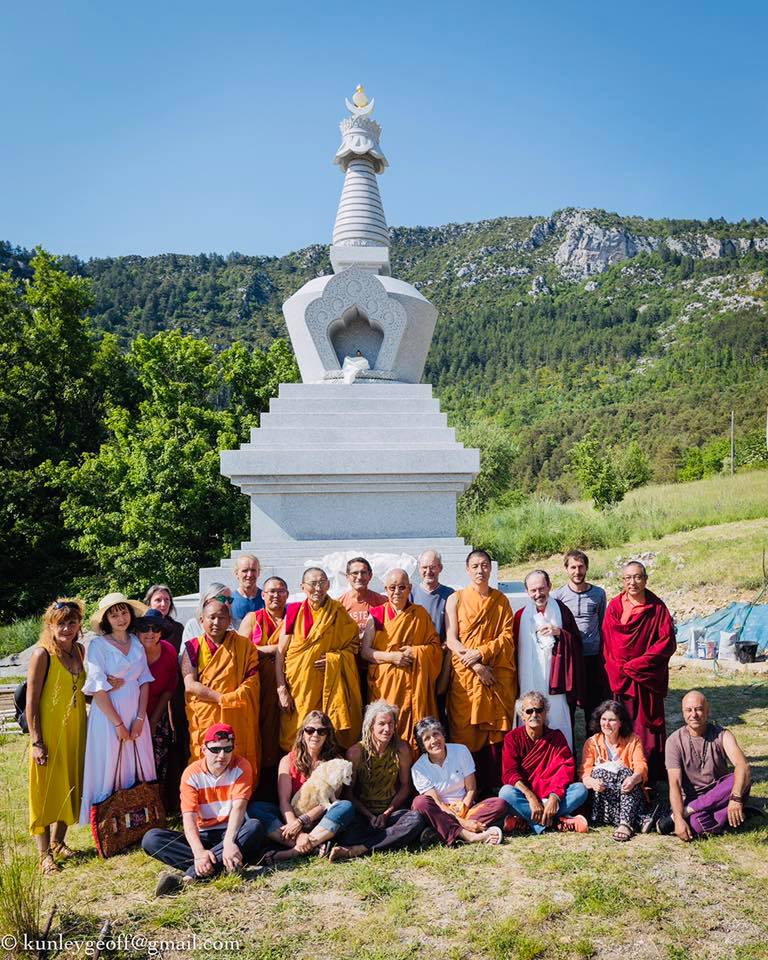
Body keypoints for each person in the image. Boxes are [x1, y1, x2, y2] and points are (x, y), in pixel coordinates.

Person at [142, 723, 264, 896]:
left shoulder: (242, 766)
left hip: (231, 832)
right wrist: (199, 852)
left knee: (254, 827)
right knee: (151, 839)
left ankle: (189, 877)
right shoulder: (191, 773)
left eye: (227, 749)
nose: (222, 755)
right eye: (215, 749)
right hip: (203, 835)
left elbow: (239, 808)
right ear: (203, 749)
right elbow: (189, 818)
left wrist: (229, 842)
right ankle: (222, 864)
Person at [79, 593, 156, 825]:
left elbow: (144, 681)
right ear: (106, 620)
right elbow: (97, 689)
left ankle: (137, 819)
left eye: (124, 613)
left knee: (136, 760)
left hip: (135, 711)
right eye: (114, 615)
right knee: (110, 760)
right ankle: (107, 822)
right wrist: (119, 724)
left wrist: (140, 718)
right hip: (108, 715)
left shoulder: (136, 643)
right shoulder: (98, 646)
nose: (121, 618)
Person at [443, 549, 517, 793]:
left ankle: (495, 786)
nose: (480, 571)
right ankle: (465, 789)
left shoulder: (501, 600)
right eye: (475, 566)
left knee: (495, 732)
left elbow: (507, 637)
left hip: (495, 672)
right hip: (466, 673)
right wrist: (475, 663)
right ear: (467, 570)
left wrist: (483, 653)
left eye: (484, 565)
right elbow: (452, 640)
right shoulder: (456, 598)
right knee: (465, 728)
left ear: (490, 568)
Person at [26, 599, 87, 875]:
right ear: (50, 625)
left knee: (72, 782)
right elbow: (32, 702)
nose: (66, 627)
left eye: (71, 622)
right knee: (46, 790)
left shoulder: (80, 651)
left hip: (77, 727)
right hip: (49, 730)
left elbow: (84, 691)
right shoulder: (42, 655)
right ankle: (44, 855)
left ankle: (59, 841)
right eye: (60, 622)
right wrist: (36, 741)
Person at [247, 711, 355, 863]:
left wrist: (301, 822)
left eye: (321, 731)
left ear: (327, 735)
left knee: (345, 806)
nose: (315, 735)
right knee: (256, 809)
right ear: (303, 732)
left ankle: (295, 851)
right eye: (310, 730)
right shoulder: (287, 760)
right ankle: (312, 845)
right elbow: (284, 801)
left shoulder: (336, 762)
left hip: (320, 820)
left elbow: (328, 803)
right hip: (292, 815)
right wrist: (295, 826)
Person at [602, 561, 676, 782]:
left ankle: (648, 773)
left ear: (645, 579)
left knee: (645, 728)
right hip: (621, 677)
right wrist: (620, 668)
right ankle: (622, 768)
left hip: (645, 678)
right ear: (622, 581)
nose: (632, 582)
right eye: (628, 578)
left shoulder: (657, 608)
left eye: (637, 577)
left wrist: (638, 665)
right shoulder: (614, 606)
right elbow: (608, 642)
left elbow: (666, 643)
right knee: (621, 723)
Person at [181, 584, 261, 784]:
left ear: (229, 621)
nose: (216, 622)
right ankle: (206, 797)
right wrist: (223, 699)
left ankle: (241, 799)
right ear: (202, 620)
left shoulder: (244, 646)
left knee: (238, 753)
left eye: (222, 618)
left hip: (237, 715)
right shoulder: (193, 647)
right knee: (206, 754)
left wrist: (231, 699)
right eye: (212, 617)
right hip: (207, 714)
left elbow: (252, 681)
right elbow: (190, 684)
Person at [276, 568, 362, 751]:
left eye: (322, 582)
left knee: (326, 734)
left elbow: (354, 644)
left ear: (328, 585)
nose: (317, 588)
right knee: (297, 733)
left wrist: (335, 660)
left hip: (328, 687)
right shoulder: (293, 612)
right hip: (298, 689)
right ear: (302, 586)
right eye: (312, 583)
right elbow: (280, 653)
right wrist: (282, 689)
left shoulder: (338, 612)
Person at [330, 701, 425, 861]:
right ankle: (385, 840)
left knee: (415, 820)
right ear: (371, 725)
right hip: (363, 814)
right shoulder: (355, 753)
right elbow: (349, 793)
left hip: (391, 812)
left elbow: (405, 786)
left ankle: (361, 848)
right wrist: (369, 816)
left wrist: (386, 814)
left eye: (391, 723)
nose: (387, 729)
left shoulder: (402, 749)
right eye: (381, 724)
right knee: (347, 830)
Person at [361, 568, 442, 751]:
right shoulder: (377, 615)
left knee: (416, 729)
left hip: (415, 683)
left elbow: (435, 648)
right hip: (386, 686)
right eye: (392, 587)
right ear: (385, 589)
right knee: (387, 726)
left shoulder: (420, 614)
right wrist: (393, 657)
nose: (397, 592)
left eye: (402, 587)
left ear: (410, 588)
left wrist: (415, 651)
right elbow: (365, 652)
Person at [660, 690, 752, 840]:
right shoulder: (674, 741)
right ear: (683, 713)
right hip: (692, 797)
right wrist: (678, 819)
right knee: (696, 825)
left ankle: (692, 810)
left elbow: (743, 766)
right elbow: (674, 783)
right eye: (689, 710)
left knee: (742, 776)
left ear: (707, 711)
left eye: (699, 709)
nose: (694, 714)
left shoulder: (722, 734)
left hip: (723, 792)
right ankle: (729, 816)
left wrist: (735, 798)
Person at [499, 691, 588, 834]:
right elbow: (509, 773)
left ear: (545, 713)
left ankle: (527, 822)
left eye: (539, 710)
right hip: (526, 798)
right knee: (505, 793)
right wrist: (530, 796)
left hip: (551, 795)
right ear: (522, 715)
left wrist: (554, 797)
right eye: (529, 711)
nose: (534, 715)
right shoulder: (512, 738)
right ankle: (553, 823)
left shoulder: (556, 737)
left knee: (580, 790)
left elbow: (566, 769)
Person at [514, 570, 584, 749]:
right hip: (529, 679)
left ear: (549, 586)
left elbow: (576, 642)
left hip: (556, 682)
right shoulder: (521, 616)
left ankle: (560, 761)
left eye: (541, 588)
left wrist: (560, 633)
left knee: (557, 717)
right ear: (527, 592)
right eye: (533, 590)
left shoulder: (562, 611)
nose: (538, 594)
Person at [410, 717, 506, 846]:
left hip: (466, 808)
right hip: (440, 812)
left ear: (443, 735)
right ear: (422, 745)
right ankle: (470, 836)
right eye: (427, 738)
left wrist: (463, 811)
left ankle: (442, 832)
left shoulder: (461, 751)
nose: (433, 741)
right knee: (420, 803)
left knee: (498, 803)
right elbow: (437, 803)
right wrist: (463, 823)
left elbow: (471, 789)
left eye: (436, 734)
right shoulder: (418, 768)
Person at [240, 576, 289, 795]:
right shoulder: (253, 618)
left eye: (280, 591)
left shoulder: (296, 617)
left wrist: (265, 649)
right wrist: (278, 648)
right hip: (260, 688)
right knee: (263, 733)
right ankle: (263, 788)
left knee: (287, 731)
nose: (275, 596)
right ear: (263, 595)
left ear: (287, 594)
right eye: (271, 592)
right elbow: (242, 651)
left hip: (292, 684)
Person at [143, 583, 188, 808]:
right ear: (149, 603)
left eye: (166, 601)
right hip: (145, 695)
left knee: (174, 739)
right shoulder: (140, 630)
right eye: (158, 600)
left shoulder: (177, 628)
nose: (163, 604)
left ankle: (171, 796)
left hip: (173, 688)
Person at [552, 550, 607, 723]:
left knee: (594, 705)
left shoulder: (598, 594)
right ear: (566, 569)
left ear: (587, 568)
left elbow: (602, 624)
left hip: (592, 656)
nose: (577, 571)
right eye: (573, 567)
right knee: (569, 704)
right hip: (570, 658)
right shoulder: (558, 596)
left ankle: (594, 744)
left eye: (581, 567)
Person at [581, 699, 647, 840]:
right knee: (599, 772)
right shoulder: (591, 743)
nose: (606, 724)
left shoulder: (633, 740)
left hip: (627, 796)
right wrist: (593, 782)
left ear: (621, 722)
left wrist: (633, 779)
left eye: (612, 720)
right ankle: (638, 819)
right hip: (603, 802)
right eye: (603, 719)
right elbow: (584, 773)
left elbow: (641, 766)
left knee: (626, 773)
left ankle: (625, 823)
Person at [135, 608, 180, 810]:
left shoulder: (169, 651)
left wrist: (152, 722)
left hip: (156, 713)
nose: (150, 633)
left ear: (162, 632)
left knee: (157, 762)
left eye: (155, 629)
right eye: (145, 628)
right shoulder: (131, 651)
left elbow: (169, 688)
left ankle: (155, 808)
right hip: (130, 714)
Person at [410, 550, 455, 641]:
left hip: (441, 649)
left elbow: (454, 629)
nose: (428, 571)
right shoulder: (410, 594)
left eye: (432, 567)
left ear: (440, 568)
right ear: (419, 569)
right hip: (415, 650)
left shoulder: (450, 594)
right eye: (424, 567)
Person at [231, 554, 264, 628]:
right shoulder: (229, 600)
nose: (249, 574)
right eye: (245, 571)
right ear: (236, 573)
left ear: (258, 572)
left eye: (253, 570)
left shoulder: (267, 598)